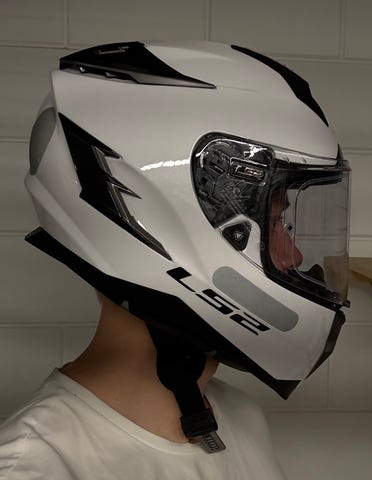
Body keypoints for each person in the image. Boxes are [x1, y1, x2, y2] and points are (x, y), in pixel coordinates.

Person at [0, 40, 351, 478]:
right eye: (279, 221)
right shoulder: (33, 468)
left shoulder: (241, 419)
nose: (295, 254)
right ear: (181, 219)